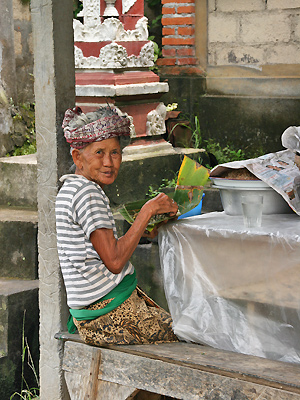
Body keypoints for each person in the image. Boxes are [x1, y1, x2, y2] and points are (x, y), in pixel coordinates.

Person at [55, 105, 179, 346]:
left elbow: (97, 252)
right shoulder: (88, 194)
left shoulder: (70, 188)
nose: (108, 162)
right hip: (108, 314)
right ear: (77, 157)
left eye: (115, 153)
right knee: (189, 336)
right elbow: (113, 261)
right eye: (99, 152)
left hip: (95, 312)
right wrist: (147, 211)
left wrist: (144, 230)